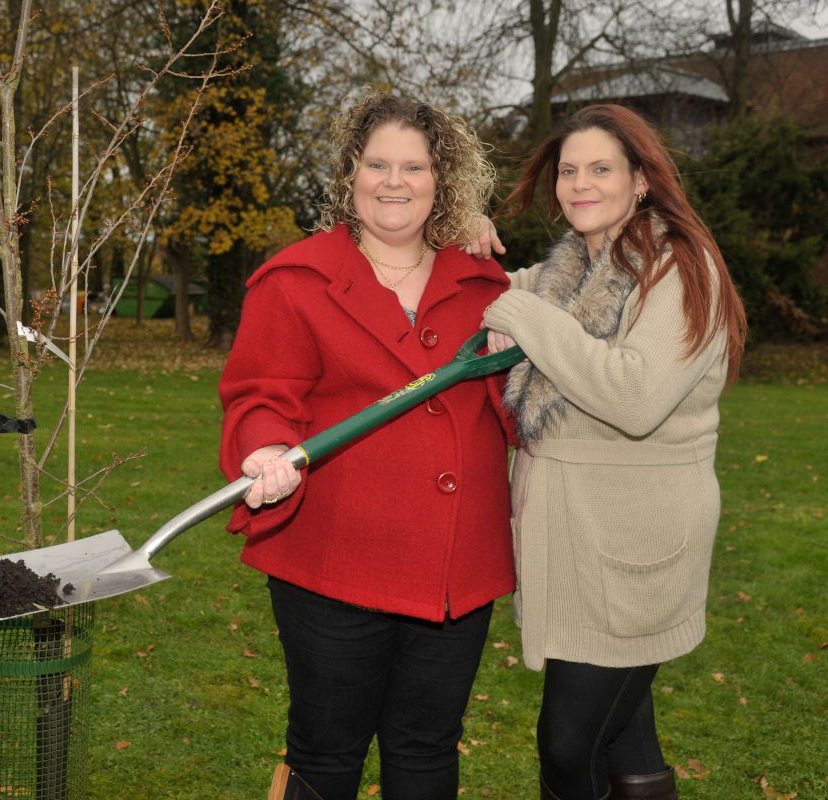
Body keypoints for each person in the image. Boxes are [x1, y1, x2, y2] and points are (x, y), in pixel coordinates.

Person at [218, 92, 516, 800]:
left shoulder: (486, 284)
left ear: (442, 181)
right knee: (325, 751)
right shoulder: (296, 281)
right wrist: (264, 449)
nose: (393, 181)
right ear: (350, 174)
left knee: (425, 748)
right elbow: (260, 395)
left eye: (414, 167)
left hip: (456, 568)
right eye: (376, 163)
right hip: (335, 563)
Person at [481, 104, 747, 800]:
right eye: (569, 170)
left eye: (601, 168)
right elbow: (480, 293)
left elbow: (634, 396)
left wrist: (523, 315)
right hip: (575, 541)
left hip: (632, 548)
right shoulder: (571, 273)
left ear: (641, 183)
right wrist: (466, 242)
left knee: (568, 748)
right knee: (626, 737)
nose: (578, 183)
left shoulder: (681, 272)